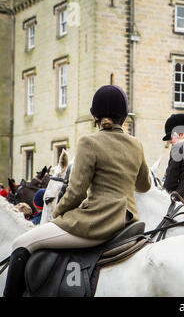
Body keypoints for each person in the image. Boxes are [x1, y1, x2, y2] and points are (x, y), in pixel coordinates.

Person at [3, 85, 152, 297]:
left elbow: (76, 193)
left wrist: (57, 214)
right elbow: (144, 186)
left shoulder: (88, 142)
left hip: (97, 221)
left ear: (96, 116)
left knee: (21, 243)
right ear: (124, 115)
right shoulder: (136, 144)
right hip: (128, 221)